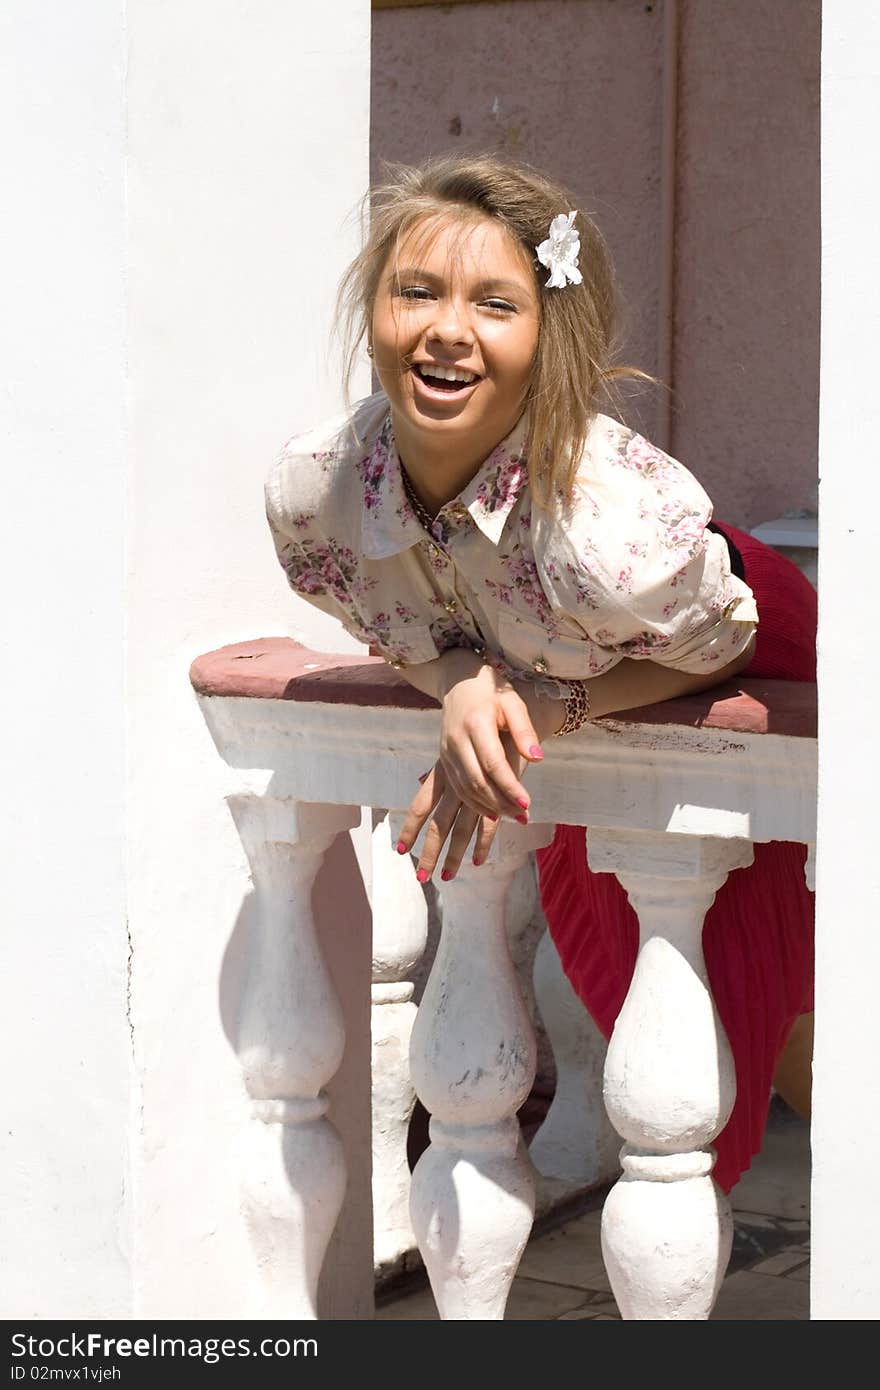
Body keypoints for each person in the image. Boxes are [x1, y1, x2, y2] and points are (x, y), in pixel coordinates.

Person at [264, 153, 815, 1193]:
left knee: (778, 1020)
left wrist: (544, 697)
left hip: (711, 642)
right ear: (374, 305)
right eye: (416, 289)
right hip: (551, 659)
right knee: (700, 1013)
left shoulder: (610, 534)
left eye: (495, 302)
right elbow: (400, 622)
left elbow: (730, 644)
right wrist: (467, 680)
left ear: (544, 338)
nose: (446, 329)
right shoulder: (319, 491)